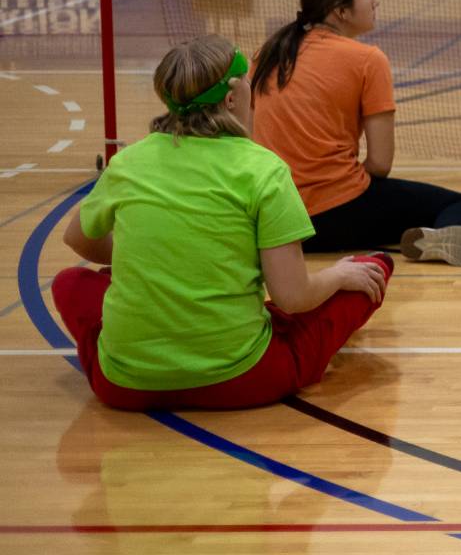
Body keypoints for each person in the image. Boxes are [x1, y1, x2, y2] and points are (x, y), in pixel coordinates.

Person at [53, 35, 392, 411]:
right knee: (373, 270)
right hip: (243, 380)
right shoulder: (263, 169)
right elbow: (293, 297)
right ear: (232, 98)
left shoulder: (129, 161)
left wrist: (156, 258)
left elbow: (78, 239)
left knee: (70, 283)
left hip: (125, 387)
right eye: (248, 81)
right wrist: (340, 276)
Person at [252, 0, 461, 267]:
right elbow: (380, 164)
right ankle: (438, 237)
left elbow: (249, 138)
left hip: (278, 218)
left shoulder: (267, 54)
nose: (375, 1)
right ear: (340, 11)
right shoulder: (367, 60)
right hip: (333, 216)